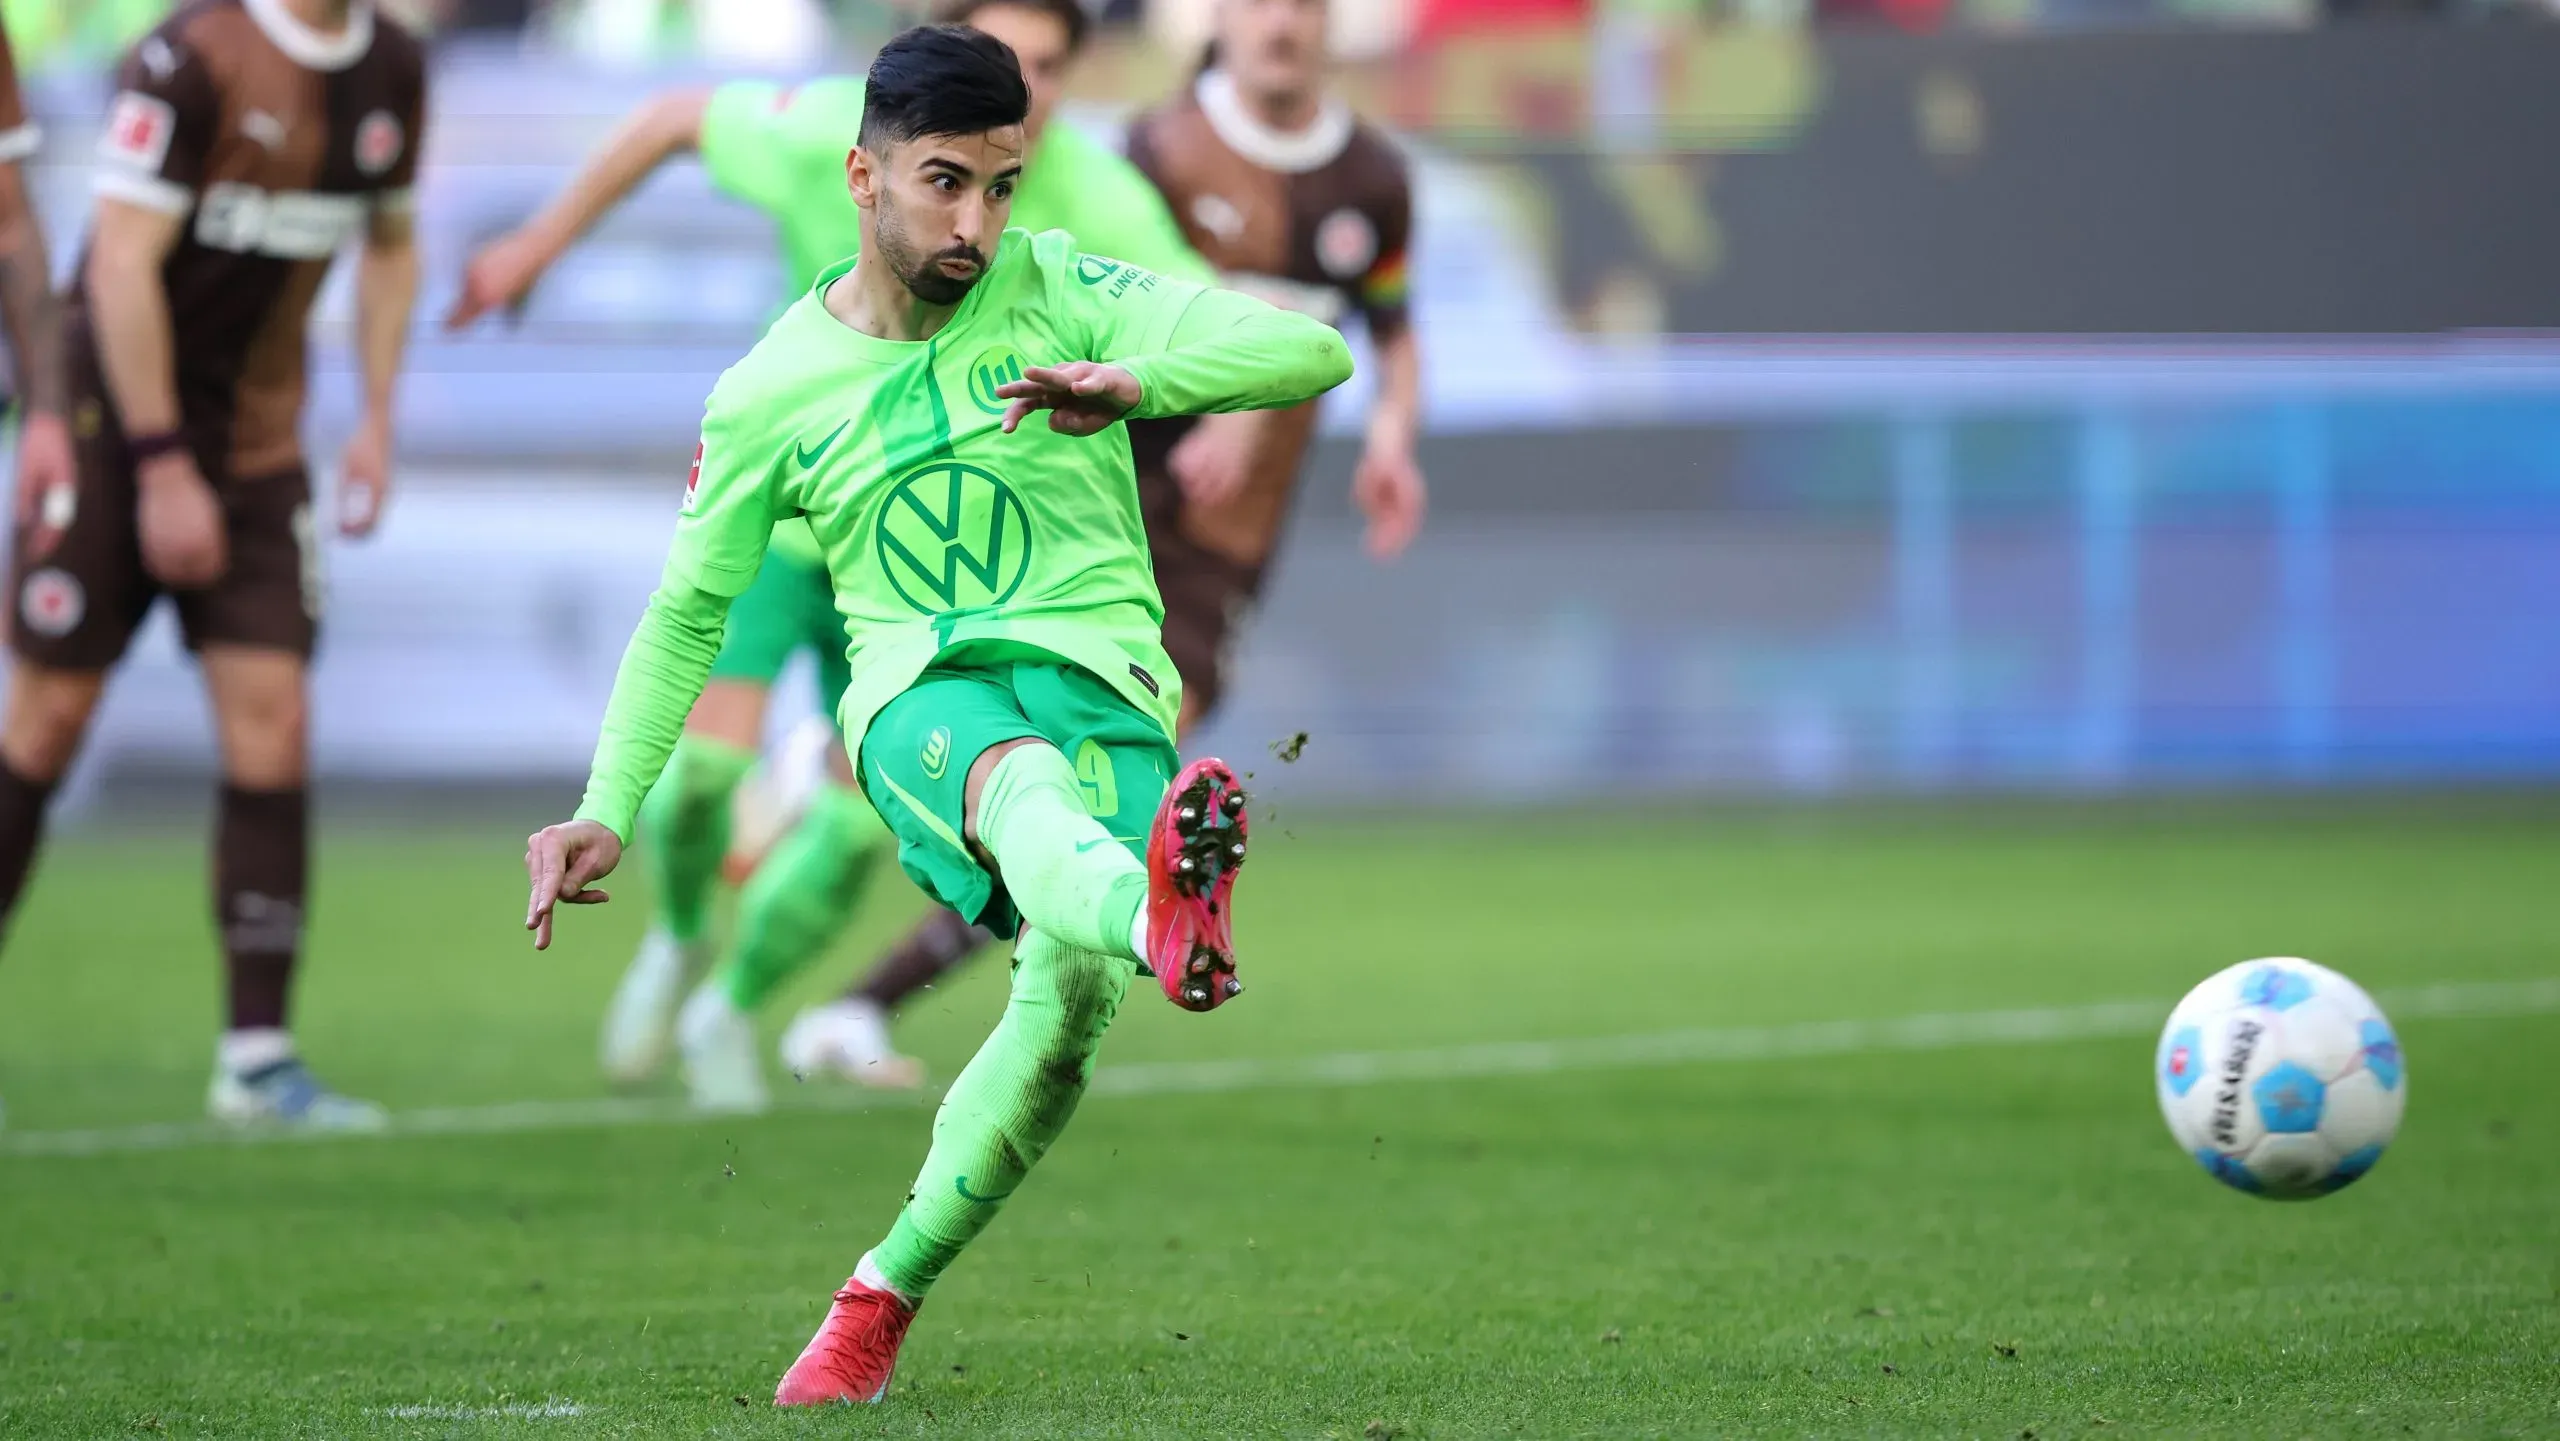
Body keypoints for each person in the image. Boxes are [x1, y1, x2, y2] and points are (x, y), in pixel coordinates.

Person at [520, 25, 1350, 1403]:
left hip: (1110, 686)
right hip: (921, 702)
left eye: (1004, 186)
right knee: (1016, 788)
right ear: (863, 175)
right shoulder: (770, 394)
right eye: (945, 184)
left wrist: (1140, 383)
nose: (978, 223)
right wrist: (606, 806)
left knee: (1067, 1011)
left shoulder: (1060, 286)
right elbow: (683, 616)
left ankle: (878, 1295)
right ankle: (1163, 912)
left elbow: (1309, 347)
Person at [450, 0, 1248, 1112]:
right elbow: (672, 117)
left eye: (1054, 66)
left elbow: (1210, 323)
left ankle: (731, 1003)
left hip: (943, 581)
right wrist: (537, 242)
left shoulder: (1095, 198)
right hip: (795, 525)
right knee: (703, 782)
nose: (1035, 90)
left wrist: (1215, 410)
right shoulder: (835, 132)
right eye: (1010, 60)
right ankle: (679, 934)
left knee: (841, 829)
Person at [784, 0, 1424, 1075]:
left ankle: (877, 997)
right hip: (1089, 511)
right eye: (1261, 3)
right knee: (1049, 783)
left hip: (1227, 533)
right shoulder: (1155, 153)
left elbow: (1387, 335)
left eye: (1306, 5)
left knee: (1115, 808)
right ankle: (858, 904)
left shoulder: (1371, 181)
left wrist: (1391, 440)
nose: (1283, 24)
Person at [0, 0, 423, 1129]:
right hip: (111, 436)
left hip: (259, 451)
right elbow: (121, 266)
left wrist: (378, 417)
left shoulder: (389, 66)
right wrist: (157, 465)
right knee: (44, 722)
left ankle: (257, 1058)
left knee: (274, 719)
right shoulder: (190, 56)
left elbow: (389, 246)